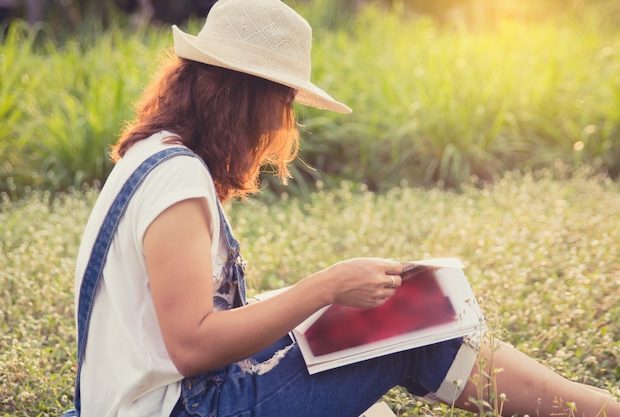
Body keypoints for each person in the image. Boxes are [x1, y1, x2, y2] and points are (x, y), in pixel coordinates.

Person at [73, 0, 620, 416]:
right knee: (414, 332)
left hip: (150, 399)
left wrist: (317, 297)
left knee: (393, 316)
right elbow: (191, 346)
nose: (281, 123)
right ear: (248, 96)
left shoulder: (152, 154)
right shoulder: (177, 180)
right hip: (180, 407)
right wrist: (325, 288)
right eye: (284, 102)